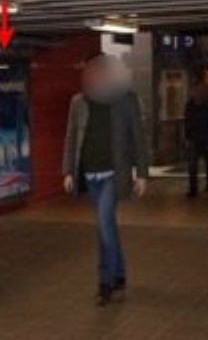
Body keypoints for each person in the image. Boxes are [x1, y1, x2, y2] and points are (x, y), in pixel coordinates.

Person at [63, 54, 151, 306]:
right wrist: (68, 171)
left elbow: (138, 137)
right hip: (89, 173)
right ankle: (119, 274)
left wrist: (142, 174)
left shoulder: (126, 99)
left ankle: (106, 282)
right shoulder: (78, 102)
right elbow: (71, 137)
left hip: (114, 172)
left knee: (103, 223)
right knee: (107, 226)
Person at [183, 74, 208, 198]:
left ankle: (205, 185)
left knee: (203, 163)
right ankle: (198, 187)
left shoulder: (205, 105)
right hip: (197, 136)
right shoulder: (192, 105)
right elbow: (188, 122)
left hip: (202, 136)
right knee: (197, 164)